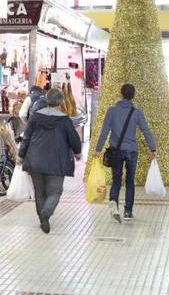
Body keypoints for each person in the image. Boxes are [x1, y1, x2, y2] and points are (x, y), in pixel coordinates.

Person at [18, 88, 82, 234]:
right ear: (60, 101)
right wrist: (77, 153)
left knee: (39, 192)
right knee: (55, 191)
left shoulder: (35, 117)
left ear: (46, 100)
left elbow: (26, 137)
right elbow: (74, 139)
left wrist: (21, 156)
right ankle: (46, 214)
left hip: (35, 160)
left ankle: (42, 218)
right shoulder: (65, 120)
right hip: (57, 161)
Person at [94, 83, 157, 223]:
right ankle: (128, 212)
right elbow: (146, 131)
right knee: (130, 181)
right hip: (131, 151)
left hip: (116, 151)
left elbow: (104, 131)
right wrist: (153, 148)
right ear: (133, 96)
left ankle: (114, 203)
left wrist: (98, 149)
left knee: (116, 180)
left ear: (121, 94)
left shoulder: (112, 111)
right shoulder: (137, 112)